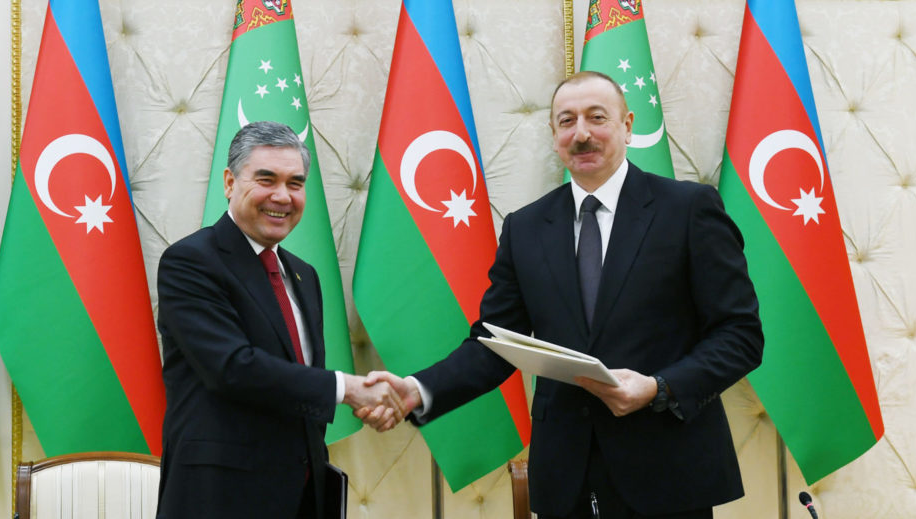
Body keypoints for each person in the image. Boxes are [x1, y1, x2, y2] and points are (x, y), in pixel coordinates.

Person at [365, 71, 764, 518]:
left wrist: (658, 388)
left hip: (667, 473)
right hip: (565, 480)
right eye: (567, 121)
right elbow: (495, 345)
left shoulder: (689, 209)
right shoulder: (526, 228)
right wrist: (418, 390)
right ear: (554, 134)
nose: (582, 134)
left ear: (628, 125)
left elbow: (740, 335)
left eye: (597, 117)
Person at [156, 121, 402, 519]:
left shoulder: (304, 275)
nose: (282, 196)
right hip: (219, 498)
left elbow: (298, 387)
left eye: (295, 183)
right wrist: (347, 388)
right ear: (230, 182)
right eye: (266, 179)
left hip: (303, 495)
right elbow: (231, 367)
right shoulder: (192, 262)